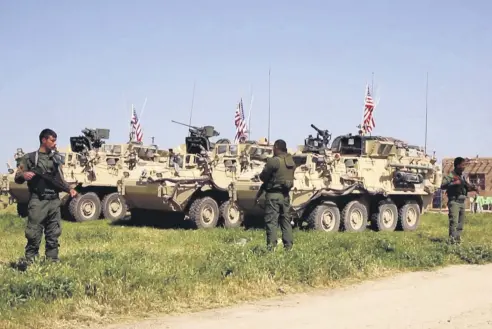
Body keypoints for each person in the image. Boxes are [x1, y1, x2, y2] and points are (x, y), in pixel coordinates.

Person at [14, 128, 78, 265]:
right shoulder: (30, 158)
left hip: (54, 200)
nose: (55, 143)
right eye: (52, 140)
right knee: (34, 232)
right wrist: (24, 175)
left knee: (54, 232)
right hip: (38, 200)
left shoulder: (55, 159)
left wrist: (69, 189)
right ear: (44, 140)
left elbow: (59, 180)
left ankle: (52, 260)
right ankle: (30, 260)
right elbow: (17, 177)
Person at [258, 139, 296, 251]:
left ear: (276, 147)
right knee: (286, 222)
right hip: (285, 196)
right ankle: (288, 247)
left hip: (273, 195)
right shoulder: (291, 162)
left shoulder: (274, 161)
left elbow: (263, 177)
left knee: (271, 222)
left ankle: (271, 248)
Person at [440, 157, 477, 244]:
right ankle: (452, 241)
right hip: (454, 202)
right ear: (457, 165)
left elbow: (465, 188)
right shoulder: (451, 175)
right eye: (462, 165)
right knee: (454, 222)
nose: (464, 167)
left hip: (462, 202)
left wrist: (473, 188)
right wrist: (453, 183)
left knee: (460, 223)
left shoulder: (463, 177)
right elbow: (442, 186)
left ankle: (457, 239)